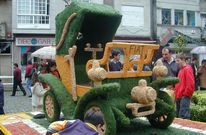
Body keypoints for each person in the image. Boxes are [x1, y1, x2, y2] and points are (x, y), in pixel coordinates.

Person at [174, 53, 195, 119]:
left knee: (183, 116)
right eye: (176, 61)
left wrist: (185, 95)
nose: (176, 63)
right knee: (178, 115)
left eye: (178, 60)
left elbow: (190, 84)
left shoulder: (187, 69)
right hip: (179, 96)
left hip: (184, 96)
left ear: (183, 60)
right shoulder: (181, 70)